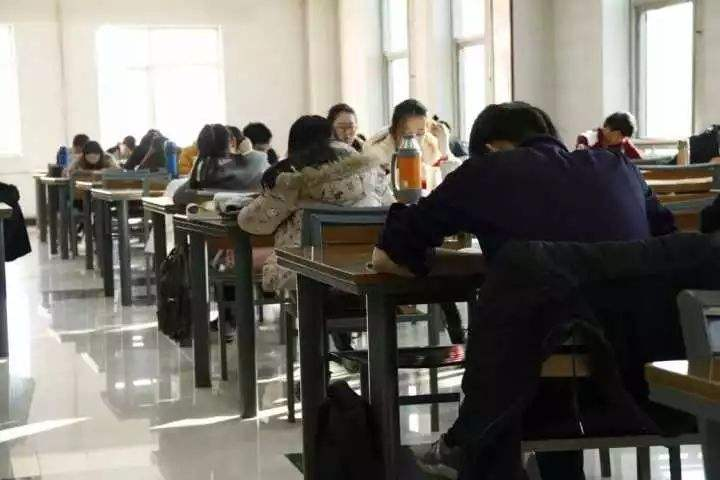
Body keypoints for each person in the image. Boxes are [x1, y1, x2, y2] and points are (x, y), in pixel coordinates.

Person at [371, 102, 676, 479]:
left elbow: (393, 251)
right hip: (639, 363)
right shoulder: (620, 166)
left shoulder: (488, 170)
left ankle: (467, 444)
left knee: (529, 319)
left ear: (492, 148)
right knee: (551, 314)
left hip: (534, 362)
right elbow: (666, 240)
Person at [239, 116, 390, 358]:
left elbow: (254, 223)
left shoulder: (292, 179)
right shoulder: (369, 171)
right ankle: (347, 352)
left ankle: (318, 366)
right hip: (369, 274)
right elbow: (390, 207)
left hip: (311, 278)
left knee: (304, 270)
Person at [363, 98, 459, 191]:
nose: (414, 140)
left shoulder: (430, 151)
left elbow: (455, 187)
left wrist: (445, 150)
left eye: (420, 133)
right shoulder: (376, 157)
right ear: (394, 132)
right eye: (407, 134)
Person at [173, 124, 269, 206]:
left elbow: (178, 197)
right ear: (232, 142)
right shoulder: (256, 175)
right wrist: (249, 153)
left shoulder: (202, 176)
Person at [576, 111, 642, 159]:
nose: (621, 139)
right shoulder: (587, 139)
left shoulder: (624, 142)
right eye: (619, 135)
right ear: (608, 128)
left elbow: (638, 160)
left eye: (623, 137)